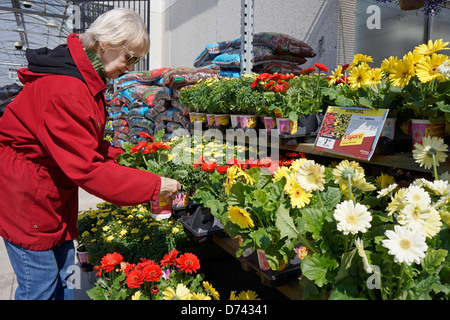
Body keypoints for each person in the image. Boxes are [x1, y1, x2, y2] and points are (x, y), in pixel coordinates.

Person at [0, 8, 180, 300]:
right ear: (106, 43)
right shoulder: (67, 89)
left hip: (50, 193)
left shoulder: (84, 81)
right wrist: (155, 186)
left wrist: (126, 158)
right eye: (129, 57)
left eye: (137, 59)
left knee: (65, 280)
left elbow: (86, 144)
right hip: (28, 199)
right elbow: (88, 168)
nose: (131, 66)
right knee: (40, 288)